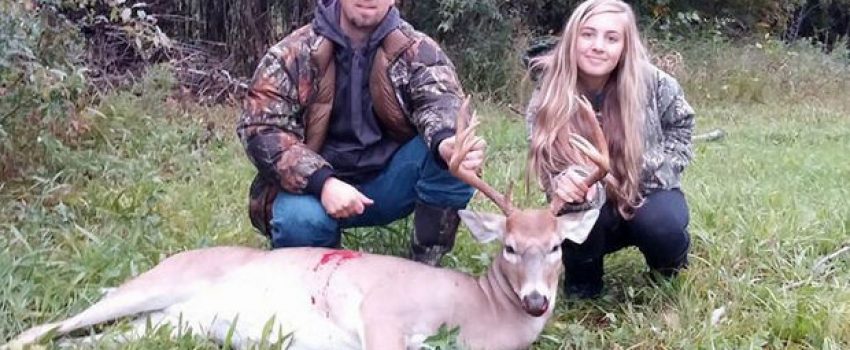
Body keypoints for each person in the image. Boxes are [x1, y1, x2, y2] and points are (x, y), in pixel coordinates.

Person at [237, 0, 485, 266]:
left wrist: (446, 141)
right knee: (299, 221)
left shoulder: (417, 49)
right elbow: (261, 129)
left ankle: (426, 267)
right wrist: (323, 182)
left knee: (453, 159)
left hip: (390, 182)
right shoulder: (292, 53)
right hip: (315, 192)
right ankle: (324, 277)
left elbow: (440, 99)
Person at [525, 0, 695, 298]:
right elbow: (547, 164)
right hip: (591, 205)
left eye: (611, 38)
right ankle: (583, 284)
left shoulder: (654, 83)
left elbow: (681, 128)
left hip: (647, 193)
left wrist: (648, 169)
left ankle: (668, 269)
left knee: (662, 227)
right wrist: (565, 182)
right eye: (588, 34)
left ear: (624, 46)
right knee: (577, 212)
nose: (598, 46)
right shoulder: (547, 98)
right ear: (571, 39)